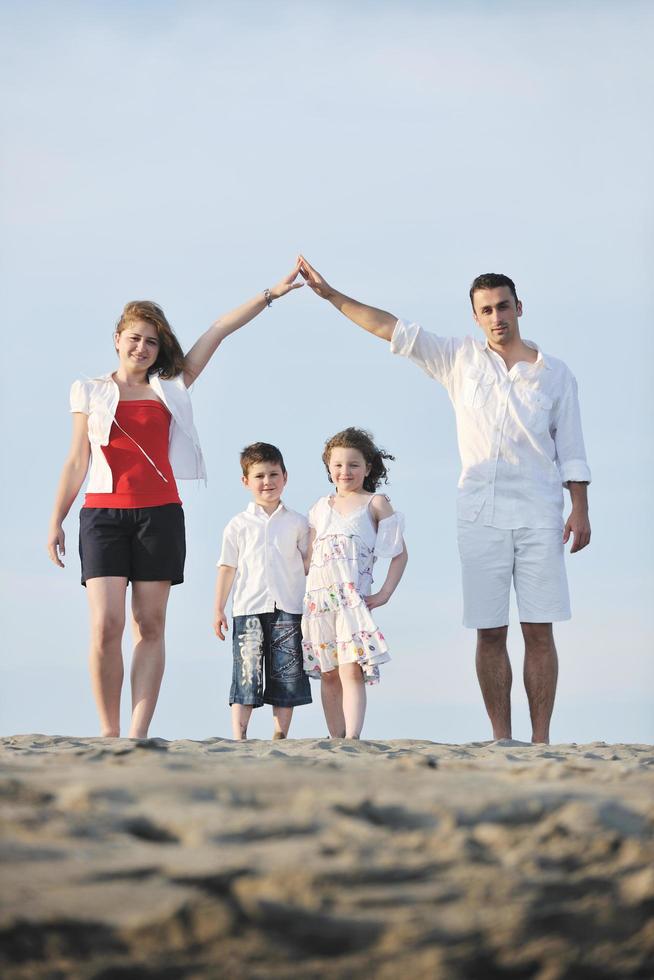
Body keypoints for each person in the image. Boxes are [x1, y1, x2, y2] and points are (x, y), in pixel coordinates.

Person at [298, 258, 591, 745]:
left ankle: (541, 742)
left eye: (503, 307)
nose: (497, 317)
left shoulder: (555, 375)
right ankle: (502, 738)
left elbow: (573, 448)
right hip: (478, 516)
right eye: (486, 310)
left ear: (519, 308)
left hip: (541, 515)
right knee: (489, 631)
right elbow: (390, 327)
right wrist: (332, 296)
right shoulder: (459, 359)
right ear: (474, 317)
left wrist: (578, 507)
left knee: (540, 630)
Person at [47, 266, 304, 739]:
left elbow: (219, 329)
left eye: (150, 341)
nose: (141, 347)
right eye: (134, 338)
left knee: (150, 623)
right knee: (106, 625)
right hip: (102, 514)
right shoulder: (89, 390)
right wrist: (56, 519)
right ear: (118, 339)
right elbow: (76, 459)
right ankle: (108, 731)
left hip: (160, 515)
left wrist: (272, 293)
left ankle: (138, 732)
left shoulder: (171, 387)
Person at [302, 427, 408, 739]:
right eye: (337, 465)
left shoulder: (374, 503)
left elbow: (399, 554)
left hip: (351, 600)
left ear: (368, 468)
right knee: (329, 672)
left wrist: (385, 593)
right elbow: (307, 558)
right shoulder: (319, 508)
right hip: (318, 603)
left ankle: (352, 737)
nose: (344, 471)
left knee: (351, 668)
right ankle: (335, 737)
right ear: (328, 468)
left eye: (353, 465)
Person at [214, 442, 312, 740]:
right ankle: (239, 736)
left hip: (289, 607)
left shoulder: (298, 522)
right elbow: (227, 566)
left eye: (273, 474)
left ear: (285, 476)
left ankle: (280, 734)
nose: (267, 482)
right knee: (247, 672)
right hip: (248, 608)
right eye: (259, 476)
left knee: (286, 673)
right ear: (246, 481)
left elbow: (309, 563)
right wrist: (218, 607)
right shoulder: (238, 525)